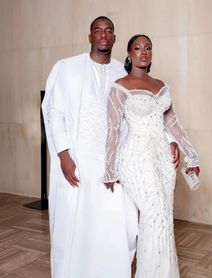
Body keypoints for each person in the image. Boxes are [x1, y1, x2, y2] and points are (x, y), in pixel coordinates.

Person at [42, 17, 180, 278]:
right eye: (98, 31)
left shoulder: (124, 73)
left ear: (115, 38)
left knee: (117, 224)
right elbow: (54, 112)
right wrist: (63, 154)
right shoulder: (67, 68)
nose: (103, 35)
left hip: (116, 163)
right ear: (90, 37)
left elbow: (148, 112)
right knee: (77, 223)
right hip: (79, 160)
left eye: (109, 31)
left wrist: (171, 140)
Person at [104, 34, 200, 278]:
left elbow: (173, 124)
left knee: (165, 218)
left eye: (148, 48)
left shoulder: (160, 84)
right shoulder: (120, 86)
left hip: (164, 160)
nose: (143, 52)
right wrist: (109, 169)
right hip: (135, 158)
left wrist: (192, 157)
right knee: (153, 215)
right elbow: (113, 130)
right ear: (129, 53)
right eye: (137, 48)